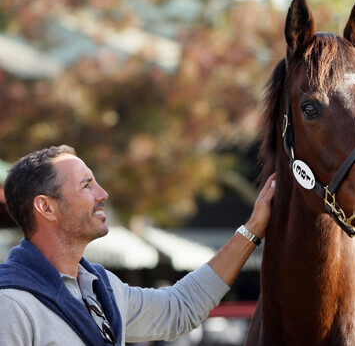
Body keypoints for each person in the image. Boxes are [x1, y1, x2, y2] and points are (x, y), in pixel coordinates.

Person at [0, 145, 275, 345]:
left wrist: (252, 230)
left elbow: (180, 308)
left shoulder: (102, 289)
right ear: (46, 207)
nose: (102, 193)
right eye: (87, 185)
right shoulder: (10, 304)